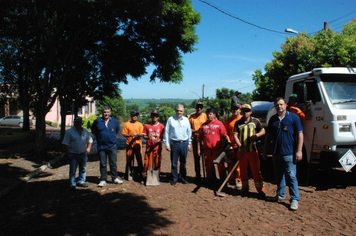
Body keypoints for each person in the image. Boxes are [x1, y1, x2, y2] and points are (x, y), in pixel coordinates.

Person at [263, 97, 303, 211]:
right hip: (276, 152)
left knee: (291, 176)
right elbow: (268, 136)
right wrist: (265, 150)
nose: (279, 107)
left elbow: (300, 134)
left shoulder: (294, 118)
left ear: (285, 104)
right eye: (277, 105)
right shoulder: (273, 120)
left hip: (289, 152)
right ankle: (280, 195)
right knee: (278, 175)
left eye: (281, 104)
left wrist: (299, 150)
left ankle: (294, 199)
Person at [233, 104, 266, 197]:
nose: (245, 113)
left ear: (250, 112)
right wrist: (240, 146)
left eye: (247, 111)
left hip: (253, 150)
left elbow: (263, 131)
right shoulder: (238, 123)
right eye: (243, 111)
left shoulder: (255, 121)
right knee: (243, 171)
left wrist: (256, 135)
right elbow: (235, 135)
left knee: (256, 170)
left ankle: (260, 190)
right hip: (242, 151)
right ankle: (245, 188)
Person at [91, 106, 123, 187]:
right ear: (102, 112)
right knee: (103, 163)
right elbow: (93, 131)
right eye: (105, 112)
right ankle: (103, 179)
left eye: (108, 112)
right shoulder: (97, 121)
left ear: (110, 112)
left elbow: (117, 131)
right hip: (101, 146)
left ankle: (114, 178)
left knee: (113, 163)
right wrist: (100, 137)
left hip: (112, 145)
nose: (106, 114)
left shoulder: (114, 121)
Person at [164, 104, 192, 186]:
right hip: (174, 143)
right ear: (175, 111)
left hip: (184, 143)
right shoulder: (170, 120)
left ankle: (183, 177)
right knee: (174, 163)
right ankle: (174, 178)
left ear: (183, 111)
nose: (179, 112)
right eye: (177, 110)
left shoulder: (186, 120)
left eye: (181, 111)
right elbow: (167, 132)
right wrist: (167, 144)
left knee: (183, 162)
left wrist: (189, 143)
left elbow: (189, 132)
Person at [62, 116, 93, 190]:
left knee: (83, 169)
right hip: (73, 154)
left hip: (83, 153)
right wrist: (68, 153)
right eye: (77, 122)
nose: (78, 123)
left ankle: (82, 181)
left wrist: (88, 148)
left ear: (81, 122)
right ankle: (72, 183)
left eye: (79, 122)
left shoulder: (85, 131)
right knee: (73, 170)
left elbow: (90, 140)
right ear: (74, 122)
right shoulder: (69, 132)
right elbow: (66, 143)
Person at [198, 108, 227, 184]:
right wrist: (199, 149)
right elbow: (199, 138)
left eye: (210, 114)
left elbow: (224, 137)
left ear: (214, 115)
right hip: (207, 150)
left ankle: (223, 182)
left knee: (221, 166)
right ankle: (211, 181)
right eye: (207, 114)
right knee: (208, 166)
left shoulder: (219, 124)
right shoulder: (203, 126)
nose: (209, 115)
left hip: (217, 150)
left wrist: (222, 148)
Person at [224, 103, 243, 189]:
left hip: (241, 145)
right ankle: (231, 179)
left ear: (240, 110)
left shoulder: (243, 119)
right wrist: (228, 141)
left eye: (236, 109)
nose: (235, 111)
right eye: (233, 109)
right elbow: (225, 132)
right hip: (231, 145)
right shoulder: (228, 121)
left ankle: (239, 180)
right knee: (231, 163)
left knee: (239, 164)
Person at [122, 110, 145, 180]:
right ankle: (128, 174)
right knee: (129, 159)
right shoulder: (127, 124)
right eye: (134, 115)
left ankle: (141, 174)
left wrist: (137, 134)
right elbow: (124, 134)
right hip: (129, 145)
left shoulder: (140, 124)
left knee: (139, 159)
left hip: (138, 144)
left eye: (136, 115)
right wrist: (130, 135)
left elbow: (143, 134)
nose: (135, 117)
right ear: (131, 116)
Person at [142, 110, 165, 178]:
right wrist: (148, 137)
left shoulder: (161, 126)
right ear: (151, 116)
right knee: (147, 163)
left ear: (158, 117)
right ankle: (145, 176)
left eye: (156, 116)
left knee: (157, 162)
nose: (154, 117)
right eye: (153, 115)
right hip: (149, 147)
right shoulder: (146, 125)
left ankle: (156, 176)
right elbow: (144, 135)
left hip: (157, 148)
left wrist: (159, 140)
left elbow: (163, 137)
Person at [188, 102, 207, 182]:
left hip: (204, 139)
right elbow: (188, 127)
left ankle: (208, 175)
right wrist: (194, 131)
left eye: (200, 107)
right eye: (198, 107)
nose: (199, 109)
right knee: (197, 158)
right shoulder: (191, 117)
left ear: (202, 108)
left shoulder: (205, 116)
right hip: (195, 139)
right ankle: (198, 175)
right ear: (195, 108)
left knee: (206, 158)